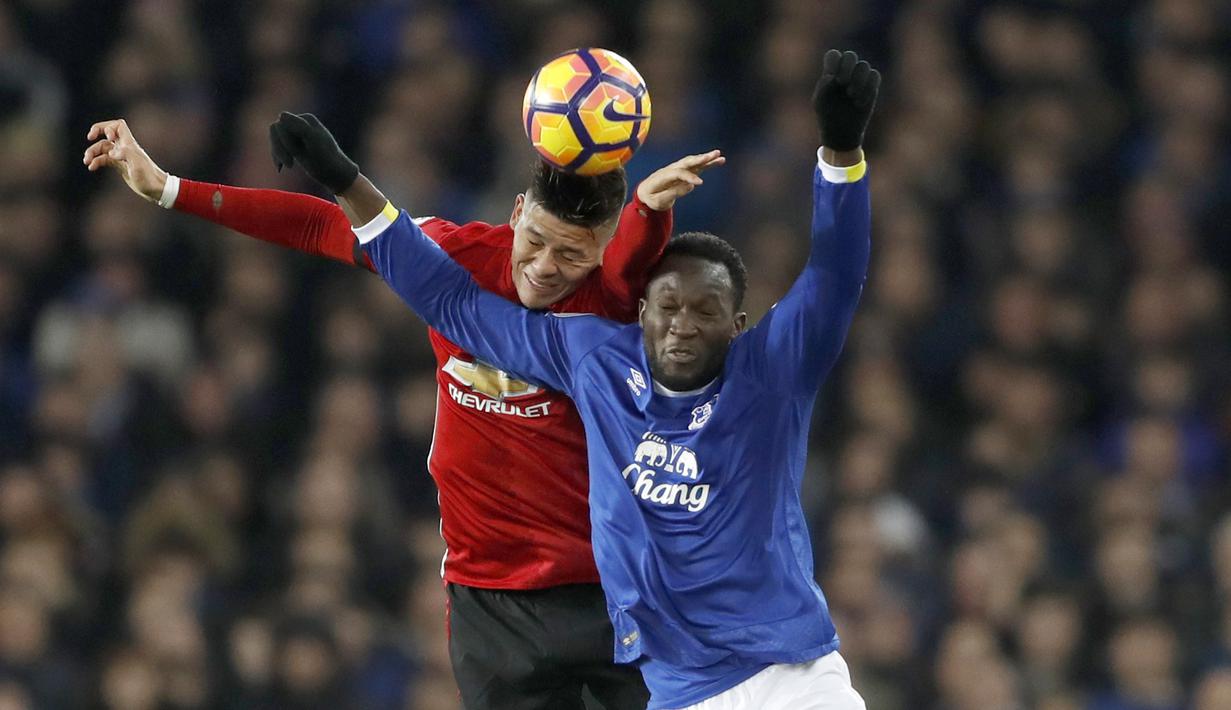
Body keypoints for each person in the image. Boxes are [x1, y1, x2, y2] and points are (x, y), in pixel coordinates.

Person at [258, 48, 880, 709]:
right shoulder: (591, 356)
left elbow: (835, 277)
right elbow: (446, 296)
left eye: (706, 312)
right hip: (677, 694)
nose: (682, 326)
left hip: (789, 674)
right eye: (668, 307)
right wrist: (346, 181)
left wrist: (840, 156)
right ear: (638, 312)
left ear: (738, 325)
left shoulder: (772, 372)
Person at [85, 113, 724, 708]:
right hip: (489, 598)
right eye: (534, 241)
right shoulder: (455, 259)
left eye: (572, 255)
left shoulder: (615, 305)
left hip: (610, 588)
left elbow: (633, 264)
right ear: (516, 211)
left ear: (603, 249)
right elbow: (320, 226)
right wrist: (167, 188)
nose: (544, 267)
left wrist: (649, 213)